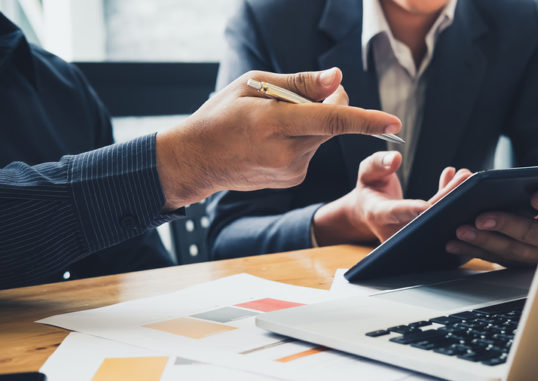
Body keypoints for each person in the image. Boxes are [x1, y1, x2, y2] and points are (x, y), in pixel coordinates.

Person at [0, 12, 400, 290]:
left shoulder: (61, 87)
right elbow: (226, 233)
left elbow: (137, 270)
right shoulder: (274, 20)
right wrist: (180, 164)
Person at [208, 0, 538, 266]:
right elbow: (227, 235)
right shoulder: (272, 18)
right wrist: (345, 220)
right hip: (309, 301)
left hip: (458, 289)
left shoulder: (519, 20)